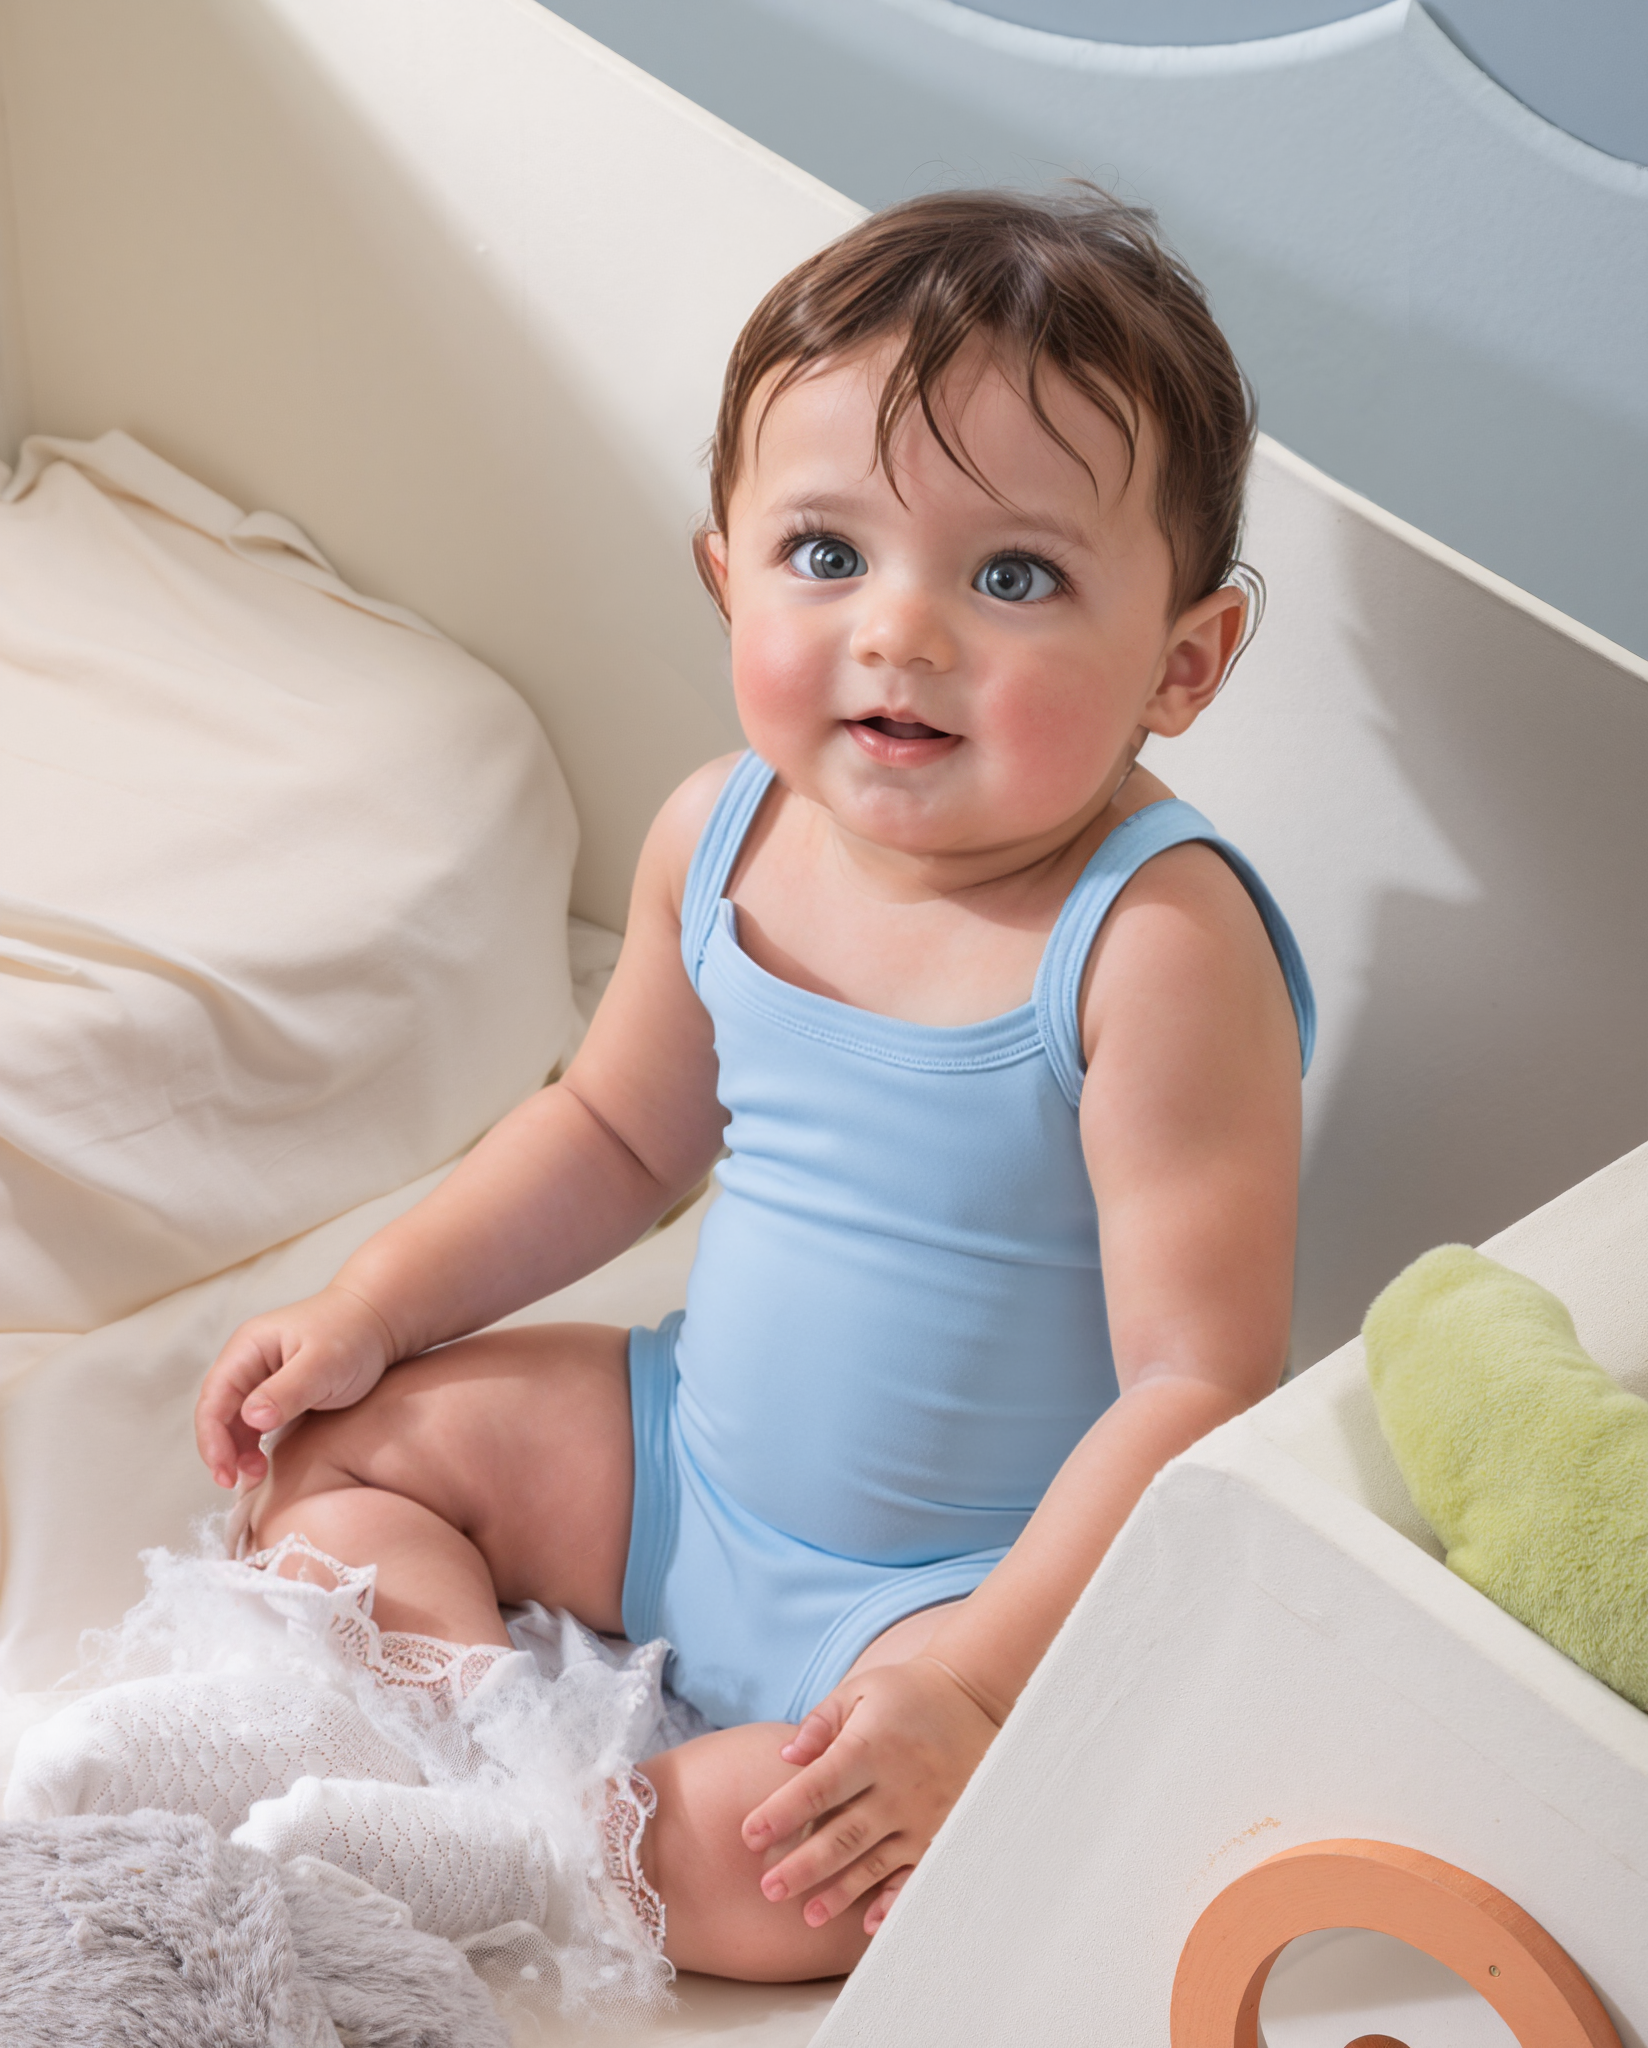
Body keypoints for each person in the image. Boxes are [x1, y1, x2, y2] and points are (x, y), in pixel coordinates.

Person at [192, 185, 1313, 1983]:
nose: (903, 631)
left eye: (1012, 577)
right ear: (726, 571)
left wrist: (968, 1681)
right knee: (338, 1449)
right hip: (683, 1463)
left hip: (944, 1589)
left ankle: (556, 1847)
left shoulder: (1156, 942)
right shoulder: (723, 832)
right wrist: (370, 1308)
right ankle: (492, 1748)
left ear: (1183, 663)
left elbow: (1198, 1385)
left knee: (826, 1862)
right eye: (826, 552)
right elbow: (611, 1133)